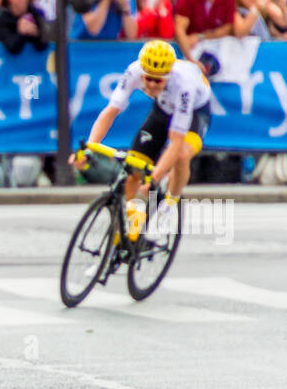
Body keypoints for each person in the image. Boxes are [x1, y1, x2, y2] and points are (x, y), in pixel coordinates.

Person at [72, 39, 211, 248]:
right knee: (133, 170)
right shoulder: (134, 71)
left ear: (168, 76)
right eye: (149, 79)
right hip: (163, 108)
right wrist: (88, 149)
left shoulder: (184, 86)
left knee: (182, 155)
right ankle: (130, 230)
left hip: (195, 112)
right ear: (142, 72)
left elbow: (175, 142)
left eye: (158, 80)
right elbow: (110, 112)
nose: (152, 84)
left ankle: (169, 203)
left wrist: (154, 179)